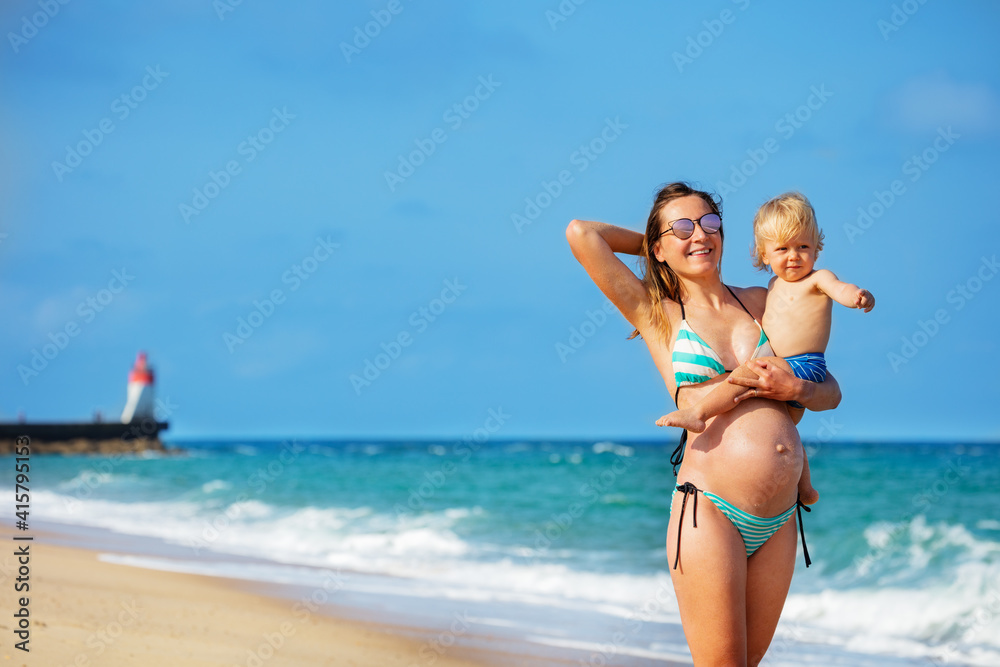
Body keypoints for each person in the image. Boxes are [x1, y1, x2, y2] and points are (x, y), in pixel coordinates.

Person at [565, 182, 841, 666]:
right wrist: (664, 246)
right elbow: (583, 233)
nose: (702, 235)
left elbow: (829, 391)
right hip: (708, 510)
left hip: (780, 518)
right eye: (685, 227)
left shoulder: (767, 298)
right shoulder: (660, 314)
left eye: (711, 224)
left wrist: (797, 390)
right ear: (657, 245)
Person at [655, 192, 874, 505]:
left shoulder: (817, 279)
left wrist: (856, 296)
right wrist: (673, 241)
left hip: (805, 364)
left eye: (804, 247)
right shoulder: (770, 289)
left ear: (817, 248)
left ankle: (699, 412)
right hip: (785, 369)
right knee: (784, 423)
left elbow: (839, 288)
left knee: (748, 374)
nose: (794, 256)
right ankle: (805, 487)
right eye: (782, 249)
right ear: (764, 255)